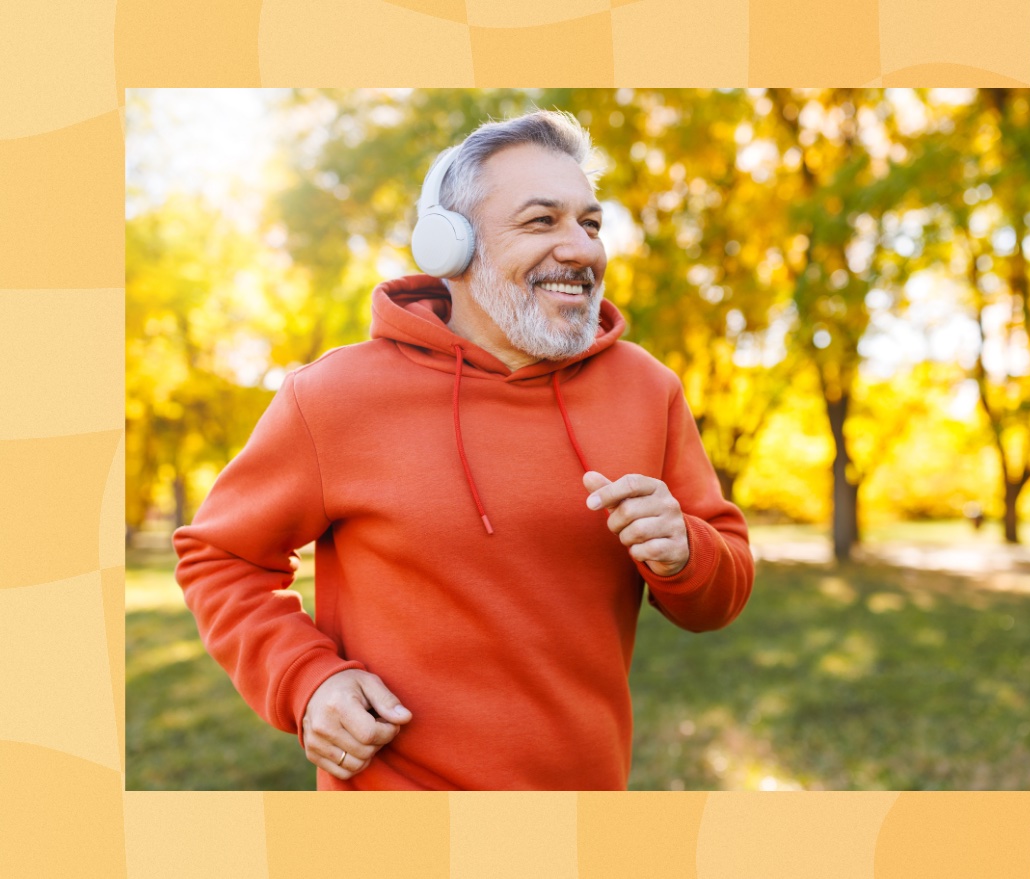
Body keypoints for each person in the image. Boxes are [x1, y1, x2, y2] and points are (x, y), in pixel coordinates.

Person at [174, 109, 755, 791]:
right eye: (542, 221)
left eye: (590, 224)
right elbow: (221, 556)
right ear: (450, 246)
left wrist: (685, 550)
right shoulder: (334, 394)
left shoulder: (647, 389)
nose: (582, 249)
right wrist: (307, 680)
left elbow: (720, 593)